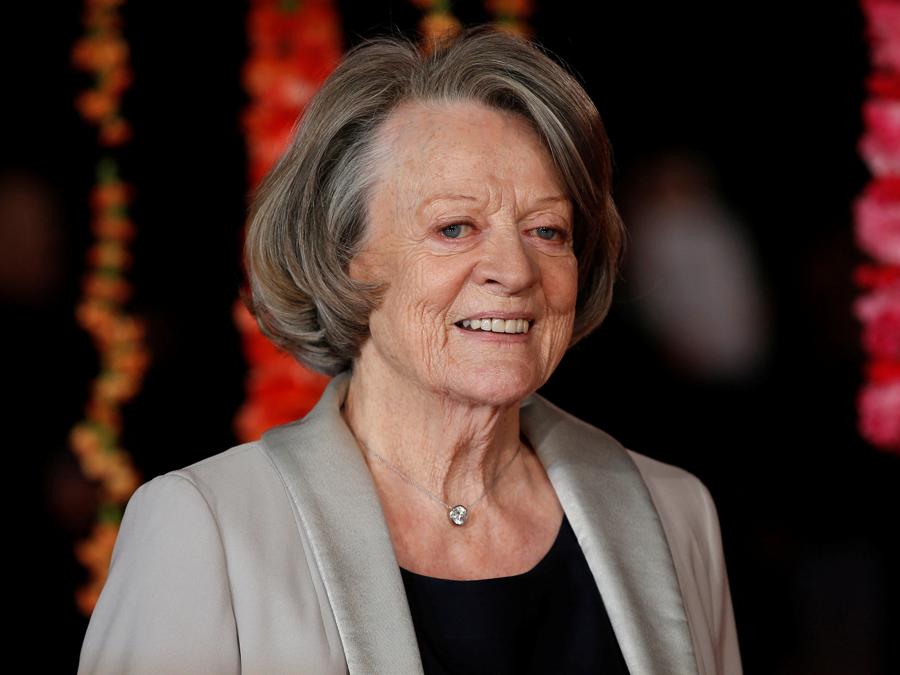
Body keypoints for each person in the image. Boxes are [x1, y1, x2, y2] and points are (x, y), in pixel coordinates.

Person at [77, 24, 742, 674]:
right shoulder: (206, 530)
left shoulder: (673, 511)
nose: (514, 269)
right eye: (455, 227)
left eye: (547, 229)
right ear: (347, 259)